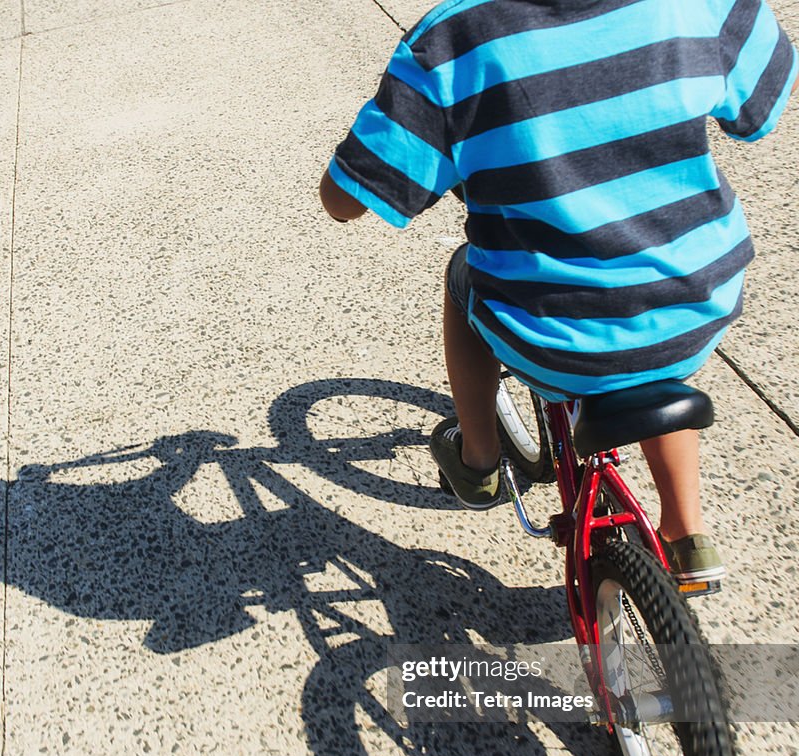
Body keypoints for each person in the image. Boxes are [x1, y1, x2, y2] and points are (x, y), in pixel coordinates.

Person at [320, 0, 797, 585]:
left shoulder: (455, 39)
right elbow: (763, 105)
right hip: (696, 301)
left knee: (462, 274)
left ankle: (477, 462)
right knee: (646, 331)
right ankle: (688, 534)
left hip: (548, 330)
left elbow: (344, 199)